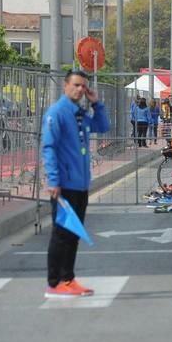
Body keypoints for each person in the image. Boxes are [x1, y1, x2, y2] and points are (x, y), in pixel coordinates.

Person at [41, 69, 110, 297]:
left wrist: (96, 104)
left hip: (80, 184)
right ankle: (54, 282)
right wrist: (53, 180)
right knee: (61, 234)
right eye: (76, 85)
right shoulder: (58, 113)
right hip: (65, 184)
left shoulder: (80, 114)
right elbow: (49, 148)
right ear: (65, 85)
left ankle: (68, 279)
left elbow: (103, 126)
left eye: (83, 86)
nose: (80, 90)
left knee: (73, 233)